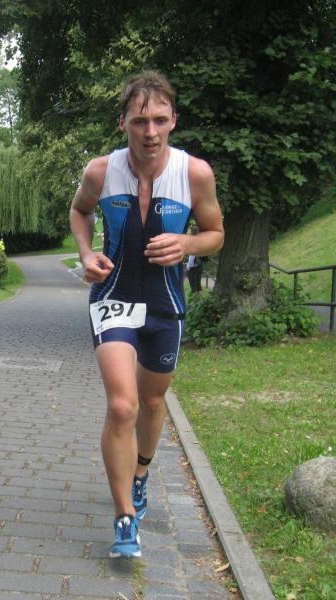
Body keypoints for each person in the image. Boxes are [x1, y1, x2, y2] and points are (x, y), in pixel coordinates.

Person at [69, 70, 224, 558]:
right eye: (140, 121)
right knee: (123, 405)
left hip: (165, 304)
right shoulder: (101, 171)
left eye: (159, 119)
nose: (150, 132)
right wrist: (86, 254)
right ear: (123, 124)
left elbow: (216, 233)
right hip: (113, 297)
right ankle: (124, 517)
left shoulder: (194, 173)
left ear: (173, 119)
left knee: (153, 403)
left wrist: (187, 243)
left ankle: (140, 472)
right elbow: (79, 212)